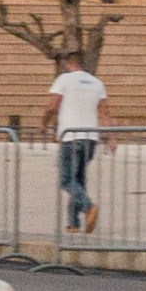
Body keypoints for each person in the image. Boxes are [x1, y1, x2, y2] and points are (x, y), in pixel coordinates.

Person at [47, 55, 107, 234]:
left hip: (70, 138)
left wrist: (44, 124)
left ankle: (89, 207)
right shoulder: (97, 83)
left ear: (67, 64)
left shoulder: (64, 79)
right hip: (91, 139)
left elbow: (52, 107)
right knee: (78, 180)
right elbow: (105, 112)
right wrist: (111, 137)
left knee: (67, 180)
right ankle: (73, 224)